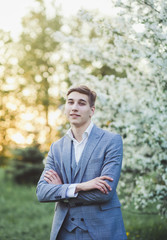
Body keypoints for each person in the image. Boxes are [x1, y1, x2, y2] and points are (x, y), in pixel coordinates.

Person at [36, 85, 127, 240]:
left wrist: (61, 191)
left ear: (92, 110)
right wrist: (81, 186)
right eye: (70, 102)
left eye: (81, 103)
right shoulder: (56, 148)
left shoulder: (111, 141)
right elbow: (42, 192)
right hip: (64, 232)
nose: (74, 108)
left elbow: (104, 192)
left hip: (103, 230)